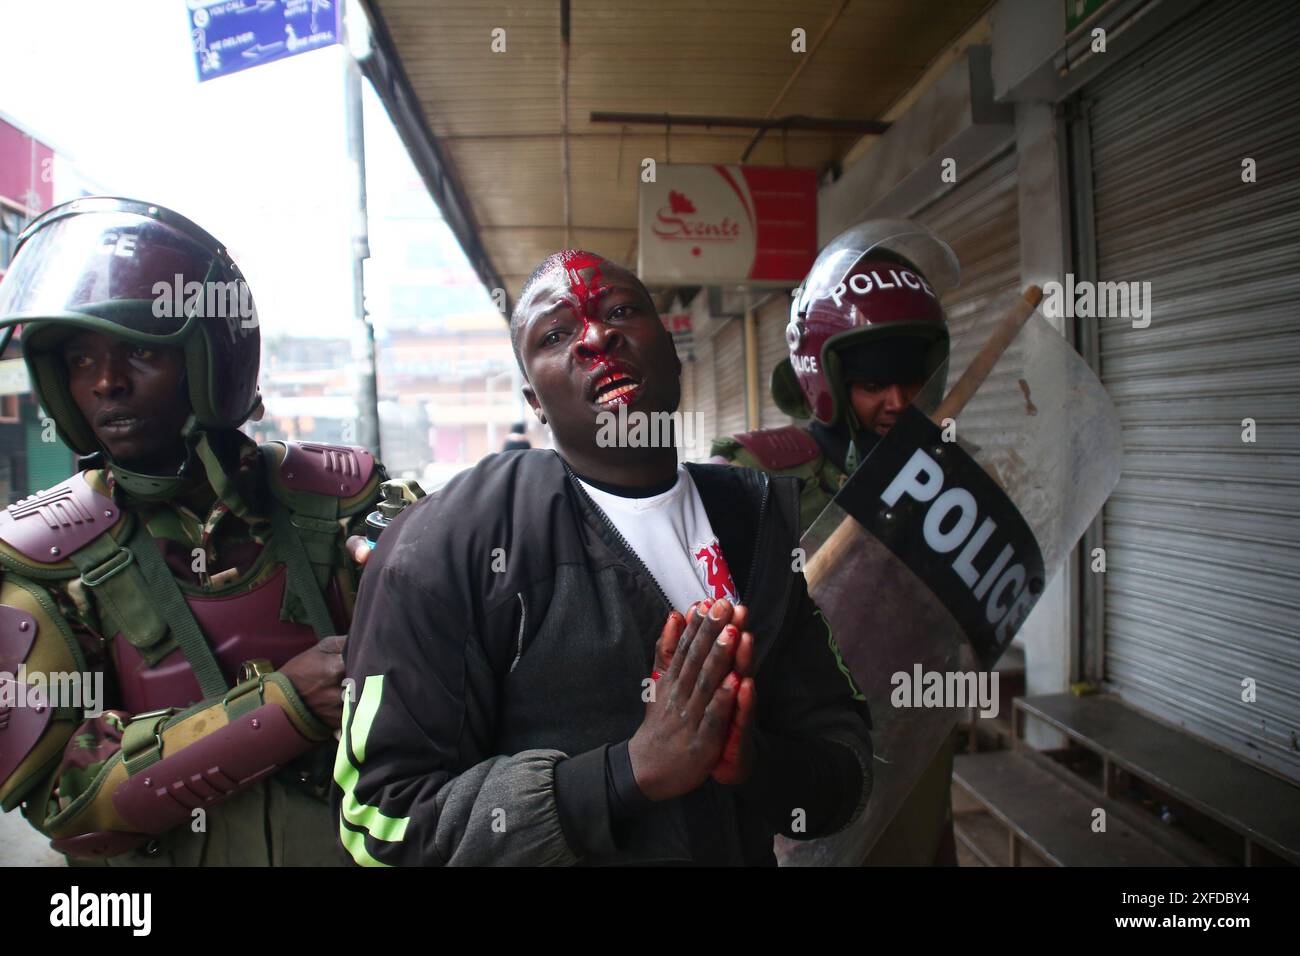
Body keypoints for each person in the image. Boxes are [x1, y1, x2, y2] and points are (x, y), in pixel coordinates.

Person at [334, 249, 871, 866]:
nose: (596, 336)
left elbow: (844, 762)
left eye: (620, 310)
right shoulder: (449, 546)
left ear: (671, 351)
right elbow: (378, 824)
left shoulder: (755, 523)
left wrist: (750, 760)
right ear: (533, 398)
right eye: (556, 334)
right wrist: (624, 775)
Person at [0, 197, 389, 866]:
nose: (106, 383)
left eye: (137, 352)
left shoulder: (343, 506)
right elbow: (68, 806)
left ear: (211, 360)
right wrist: (283, 707)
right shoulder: (48, 558)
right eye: (78, 359)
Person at [711, 220, 960, 866]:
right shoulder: (757, 474)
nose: (898, 402)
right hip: (804, 764)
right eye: (874, 383)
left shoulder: (946, 480)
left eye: (910, 380)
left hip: (913, 757)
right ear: (825, 373)